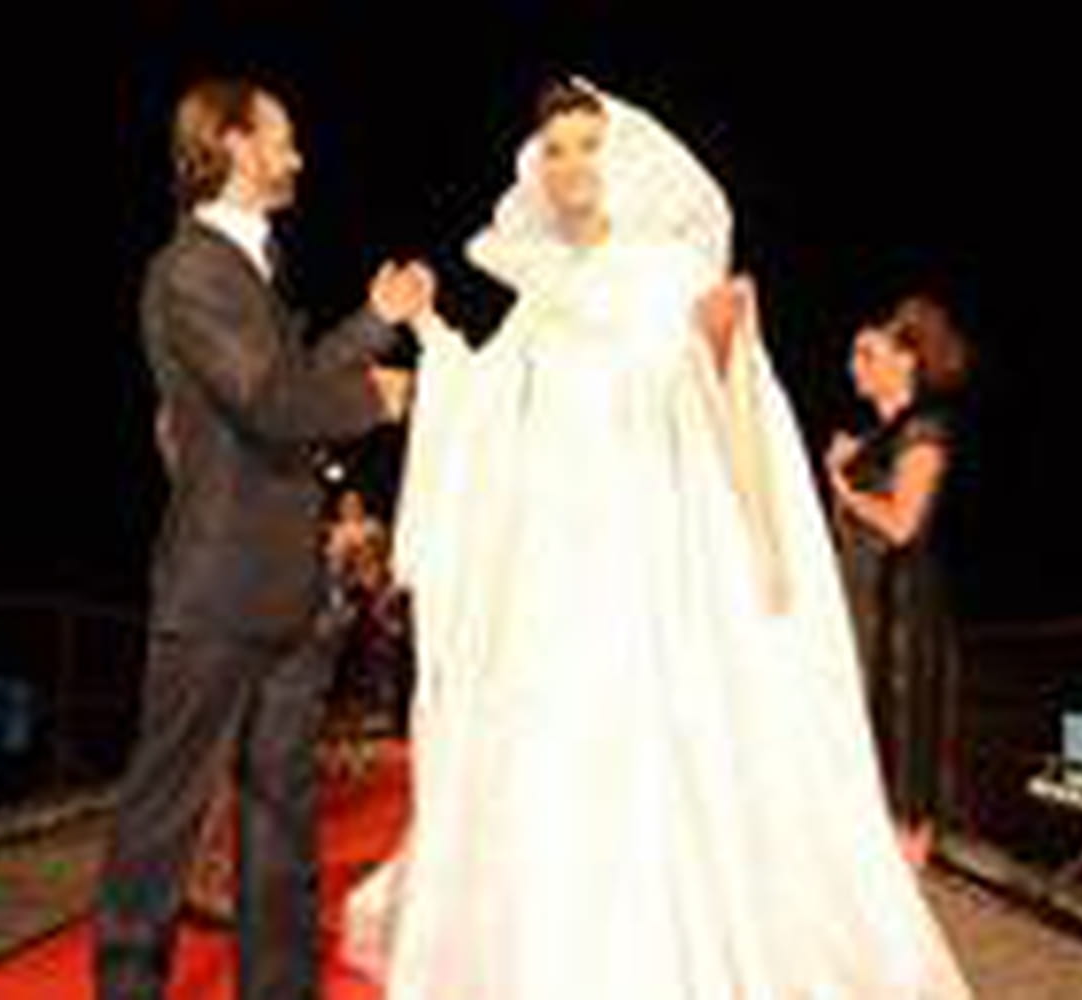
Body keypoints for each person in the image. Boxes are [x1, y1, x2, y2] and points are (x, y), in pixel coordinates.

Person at [343, 78, 971, 999]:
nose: (571, 166)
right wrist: (430, 330)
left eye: (587, 145)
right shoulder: (540, 292)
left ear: (622, 156)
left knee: (658, 737)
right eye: (555, 150)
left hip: (650, 543)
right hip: (555, 551)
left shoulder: (670, 270)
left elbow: (735, 404)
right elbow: (483, 402)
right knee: (557, 743)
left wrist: (762, 535)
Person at [94, 74, 433, 1000]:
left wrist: (375, 324)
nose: (297, 155)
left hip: (288, 590)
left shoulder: (253, 262)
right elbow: (270, 401)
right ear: (236, 144)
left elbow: (288, 377)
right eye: (281, 136)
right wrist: (375, 399)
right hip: (215, 590)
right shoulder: (191, 269)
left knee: (282, 819)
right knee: (162, 821)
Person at [826, 294, 971, 871]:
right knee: (860, 747)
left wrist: (844, 489)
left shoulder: (924, 430)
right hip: (862, 605)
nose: (853, 366)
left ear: (907, 360)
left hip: (902, 613)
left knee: (905, 753)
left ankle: (907, 887)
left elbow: (903, 524)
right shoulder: (873, 439)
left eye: (867, 353)